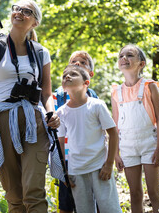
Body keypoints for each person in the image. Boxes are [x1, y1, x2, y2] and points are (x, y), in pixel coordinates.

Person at [0, 0, 62, 213]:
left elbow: (46, 92)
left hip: (33, 121)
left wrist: (51, 112)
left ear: (34, 21)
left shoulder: (41, 52)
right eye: (17, 8)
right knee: (14, 194)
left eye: (27, 11)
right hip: (1, 120)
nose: (19, 13)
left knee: (33, 190)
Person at [57, 65, 122, 213]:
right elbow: (61, 142)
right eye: (64, 75)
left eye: (73, 74)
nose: (67, 76)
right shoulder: (61, 112)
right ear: (63, 86)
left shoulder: (97, 106)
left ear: (86, 83)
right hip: (76, 170)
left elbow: (113, 133)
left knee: (110, 209)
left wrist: (109, 164)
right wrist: (64, 170)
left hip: (100, 167)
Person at [111, 44, 159, 213]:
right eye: (121, 56)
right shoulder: (115, 92)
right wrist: (115, 153)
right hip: (127, 147)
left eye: (130, 55)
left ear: (142, 63)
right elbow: (115, 124)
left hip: (149, 144)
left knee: (154, 192)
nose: (124, 58)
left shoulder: (150, 86)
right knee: (135, 193)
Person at [53, 51, 98, 213]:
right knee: (65, 201)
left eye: (83, 63)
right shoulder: (56, 97)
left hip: (90, 157)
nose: (77, 64)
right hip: (66, 157)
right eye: (73, 62)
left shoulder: (94, 100)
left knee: (91, 199)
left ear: (89, 77)